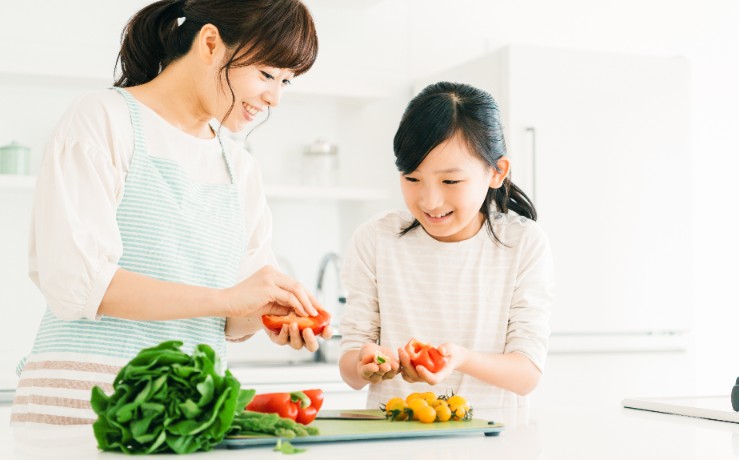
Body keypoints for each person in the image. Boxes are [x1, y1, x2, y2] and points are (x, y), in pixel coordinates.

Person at [12, 0, 331, 425]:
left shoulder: (241, 168)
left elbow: (231, 318)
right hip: (86, 407)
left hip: (186, 416)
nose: (273, 97)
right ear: (211, 42)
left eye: (286, 82)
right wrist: (228, 299)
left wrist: (266, 315)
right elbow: (77, 282)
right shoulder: (103, 119)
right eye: (267, 74)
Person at [338, 81, 554, 410]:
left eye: (450, 181)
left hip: (494, 446)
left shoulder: (522, 243)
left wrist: (460, 359)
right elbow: (351, 369)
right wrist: (364, 364)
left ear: (497, 172)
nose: (430, 200)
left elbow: (526, 374)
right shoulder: (376, 240)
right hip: (393, 445)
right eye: (412, 178)